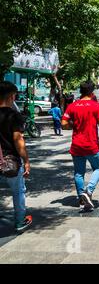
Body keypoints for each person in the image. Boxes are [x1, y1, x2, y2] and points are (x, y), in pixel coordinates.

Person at [62, 82, 99, 213]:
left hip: (76, 145)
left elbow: (63, 123)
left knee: (79, 173)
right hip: (91, 144)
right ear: (92, 92)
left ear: (80, 91)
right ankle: (89, 191)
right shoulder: (96, 106)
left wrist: (74, 125)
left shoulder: (72, 106)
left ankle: (81, 198)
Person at [0, 81, 32, 232]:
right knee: (18, 191)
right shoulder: (14, 116)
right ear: (12, 97)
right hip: (10, 162)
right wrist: (26, 160)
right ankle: (20, 221)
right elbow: (18, 140)